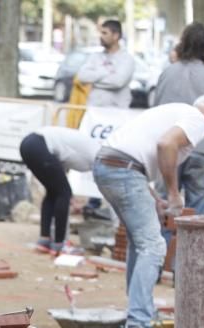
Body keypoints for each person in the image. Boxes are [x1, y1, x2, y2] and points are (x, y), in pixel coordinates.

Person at [93, 93, 204, 328]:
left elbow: (140, 154)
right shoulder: (196, 118)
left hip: (109, 165)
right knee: (153, 246)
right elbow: (165, 144)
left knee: (140, 242)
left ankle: (138, 311)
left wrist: (153, 196)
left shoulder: (177, 111)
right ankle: (139, 323)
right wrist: (173, 193)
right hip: (124, 169)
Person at [153, 22, 204, 215]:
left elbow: (156, 110)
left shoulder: (167, 73)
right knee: (197, 212)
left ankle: (163, 245)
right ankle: (192, 244)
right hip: (201, 148)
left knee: (164, 207)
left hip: (169, 148)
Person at [75, 19, 134, 221]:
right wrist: (105, 74)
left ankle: (113, 206)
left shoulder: (127, 59)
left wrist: (97, 77)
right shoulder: (95, 56)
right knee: (92, 156)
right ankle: (93, 202)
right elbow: (82, 76)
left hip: (117, 119)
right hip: (95, 117)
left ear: (116, 35)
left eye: (105, 33)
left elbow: (120, 81)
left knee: (114, 159)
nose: (102, 37)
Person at [19, 127, 100, 254]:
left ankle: (44, 241)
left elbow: (60, 174)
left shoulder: (89, 150)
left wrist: (70, 197)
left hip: (28, 144)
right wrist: (70, 197)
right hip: (39, 145)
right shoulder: (97, 154)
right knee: (63, 194)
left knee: (53, 192)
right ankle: (60, 244)